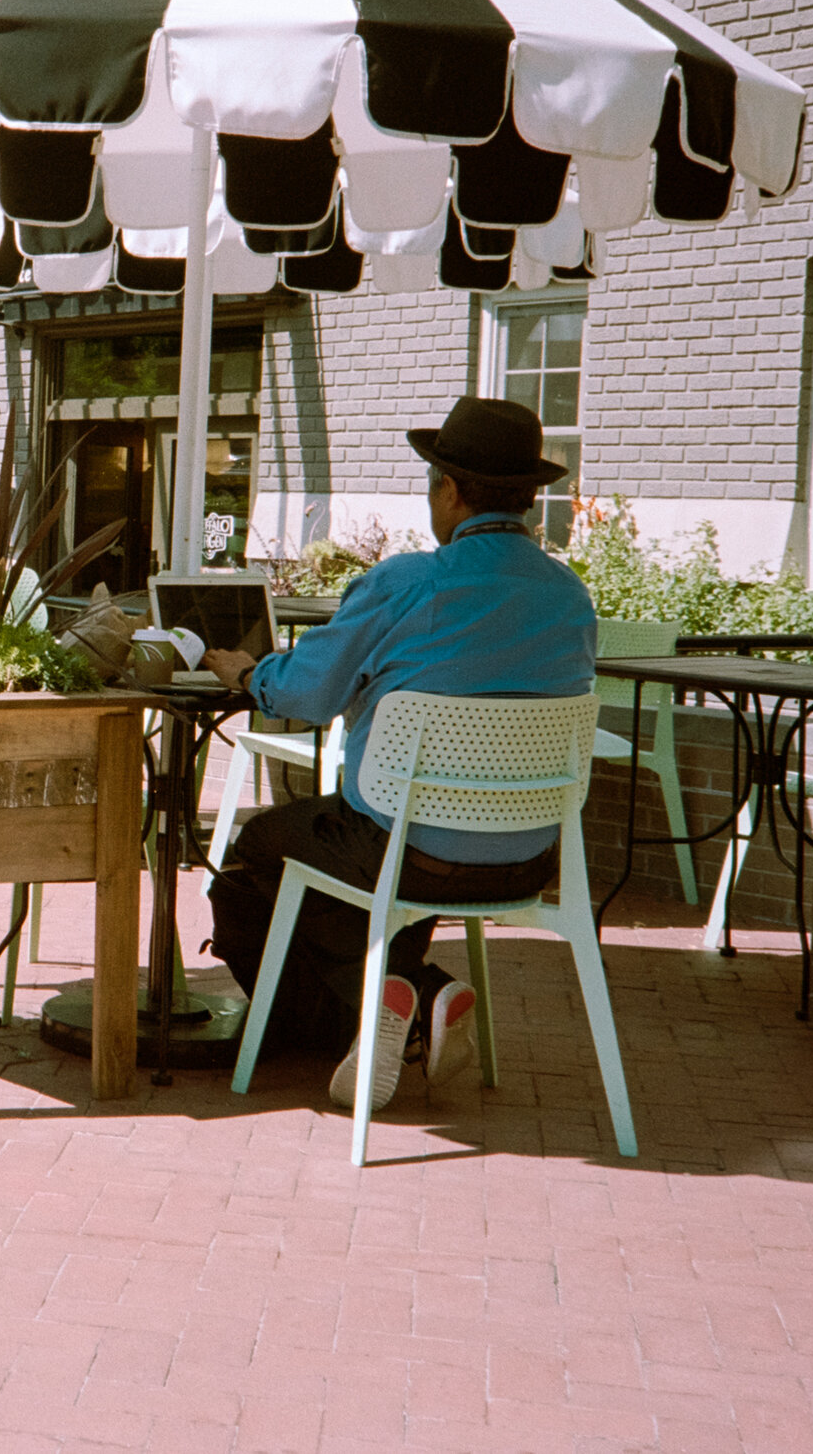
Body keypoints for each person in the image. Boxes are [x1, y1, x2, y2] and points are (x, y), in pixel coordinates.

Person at [202, 397, 595, 1112]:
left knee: (258, 848)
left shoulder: (408, 581)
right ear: (530, 496)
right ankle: (394, 1006)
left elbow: (307, 695)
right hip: (532, 853)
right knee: (364, 856)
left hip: (408, 850)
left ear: (448, 489)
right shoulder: (570, 596)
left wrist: (246, 672)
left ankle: (408, 1000)